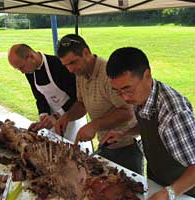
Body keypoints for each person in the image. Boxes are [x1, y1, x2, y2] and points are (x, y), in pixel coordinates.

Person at [103, 47, 195, 200]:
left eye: (127, 89)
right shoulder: (142, 95)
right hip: (159, 181)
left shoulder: (174, 112)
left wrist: (168, 193)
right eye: (117, 91)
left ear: (147, 75)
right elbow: (149, 125)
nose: (124, 98)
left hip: (185, 189)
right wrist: (124, 133)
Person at [55, 34, 143, 174]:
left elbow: (127, 112)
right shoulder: (81, 73)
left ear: (86, 52)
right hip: (104, 144)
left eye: (73, 63)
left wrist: (94, 125)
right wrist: (67, 116)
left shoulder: (107, 74)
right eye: (66, 65)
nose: (70, 70)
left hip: (126, 146)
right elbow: (82, 103)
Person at [8, 44, 92, 152]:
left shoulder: (58, 65)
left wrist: (58, 115)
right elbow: (39, 97)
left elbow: (77, 96)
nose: (22, 72)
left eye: (21, 67)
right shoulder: (30, 72)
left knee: (73, 153)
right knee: (53, 153)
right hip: (53, 117)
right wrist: (43, 116)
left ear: (31, 57)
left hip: (72, 115)